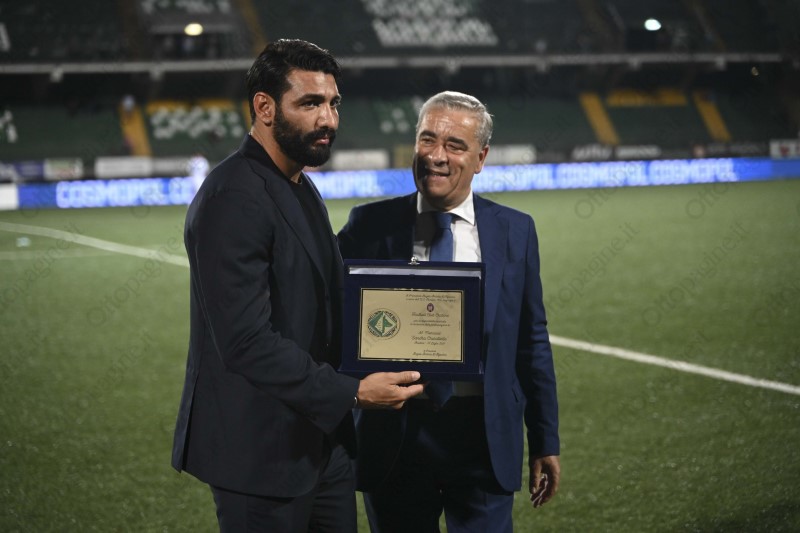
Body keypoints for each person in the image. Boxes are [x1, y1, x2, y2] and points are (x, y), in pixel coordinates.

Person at [171, 39, 424, 532]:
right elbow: (245, 341)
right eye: (310, 103)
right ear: (264, 107)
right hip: (261, 455)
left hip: (320, 445)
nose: (328, 119)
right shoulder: (233, 196)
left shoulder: (298, 183)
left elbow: (329, 297)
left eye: (333, 103)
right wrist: (353, 393)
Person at [337, 91, 561, 532]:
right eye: (427, 140)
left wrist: (545, 438)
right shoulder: (368, 226)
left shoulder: (516, 230)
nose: (437, 156)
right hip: (395, 436)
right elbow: (331, 323)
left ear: (481, 158)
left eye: (455, 145)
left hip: (483, 437)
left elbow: (531, 340)